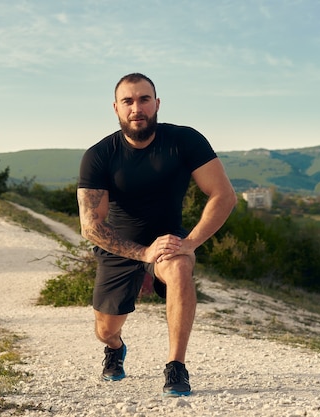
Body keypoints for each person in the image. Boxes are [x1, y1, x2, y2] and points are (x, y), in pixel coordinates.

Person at [77, 73, 237, 396]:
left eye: (144, 99)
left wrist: (189, 243)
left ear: (157, 104)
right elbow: (91, 225)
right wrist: (143, 253)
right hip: (119, 246)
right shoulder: (99, 156)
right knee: (105, 329)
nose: (137, 107)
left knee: (179, 267)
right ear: (117, 108)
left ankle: (176, 366)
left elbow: (224, 195)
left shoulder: (184, 141)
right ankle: (115, 348)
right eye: (128, 101)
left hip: (168, 240)